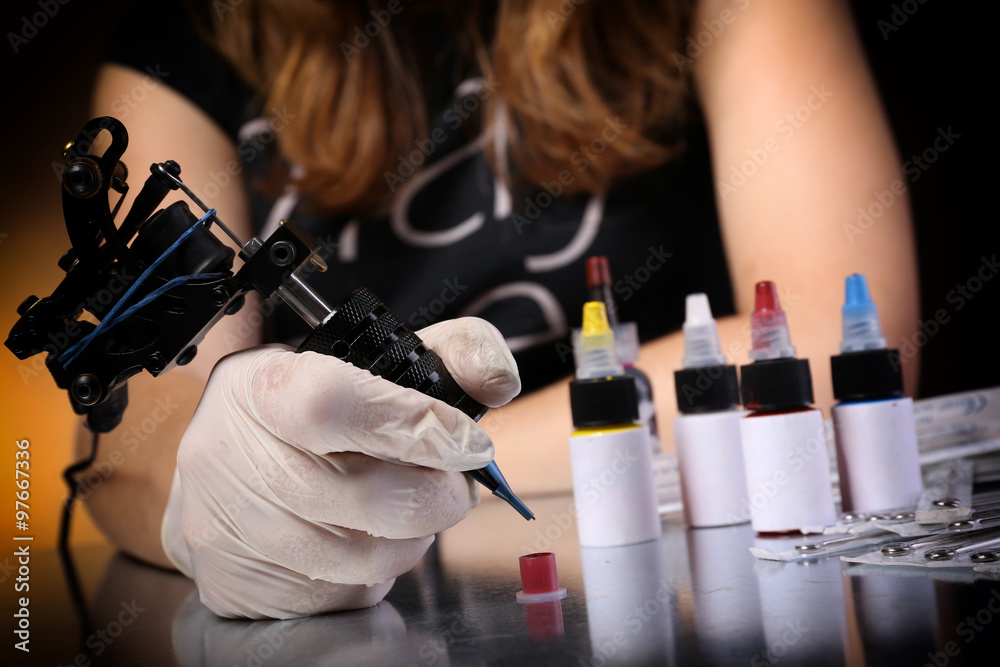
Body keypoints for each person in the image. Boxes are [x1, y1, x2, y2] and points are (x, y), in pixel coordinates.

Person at [77, 0, 918, 618]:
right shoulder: (191, 30)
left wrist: (425, 459)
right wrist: (226, 496)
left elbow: (832, 342)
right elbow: (134, 434)